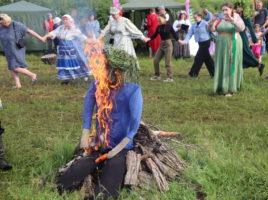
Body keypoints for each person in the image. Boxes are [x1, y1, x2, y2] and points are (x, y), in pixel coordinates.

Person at [81, 44, 142, 200]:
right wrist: (85, 131)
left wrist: (121, 146)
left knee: (112, 174)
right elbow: (88, 106)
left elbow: (135, 123)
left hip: (120, 145)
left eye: (105, 69)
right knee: (78, 169)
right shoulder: (97, 84)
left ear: (117, 71)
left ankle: (103, 196)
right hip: (99, 141)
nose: (101, 73)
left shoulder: (132, 90)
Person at [43, 14, 91, 83]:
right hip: (62, 50)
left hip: (71, 50)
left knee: (77, 63)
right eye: (64, 19)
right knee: (64, 64)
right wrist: (46, 36)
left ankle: (85, 75)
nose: (65, 21)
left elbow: (83, 37)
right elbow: (53, 33)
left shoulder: (74, 29)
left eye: (66, 19)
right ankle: (66, 79)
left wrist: (92, 42)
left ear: (70, 21)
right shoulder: (61, 28)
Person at [209, 3, 245, 96]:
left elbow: (242, 28)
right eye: (223, 10)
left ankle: (230, 88)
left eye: (226, 9)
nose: (224, 12)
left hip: (233, 42)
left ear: (231, 9)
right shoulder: (219, 18)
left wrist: (233, 20)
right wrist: (212, 21)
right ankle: (220, 86)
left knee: (230, 63)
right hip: (221, 44)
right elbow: (211, 30)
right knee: (221, 63)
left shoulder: (236, 16)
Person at [0, 14, 44, 89]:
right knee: (12, 66)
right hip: (8, 49)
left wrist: (40, 38)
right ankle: (18, 85)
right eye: (2, 23)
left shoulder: (17, 25)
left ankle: (32, 75)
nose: (3, 25)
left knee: (14, 67)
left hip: (16, 49)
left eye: (4, 23)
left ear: (7, 21)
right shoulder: (1, 26)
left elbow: (29, 31)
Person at [179, 10, 214, 78]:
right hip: (200, 43)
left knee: (198, 58)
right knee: (207, 59)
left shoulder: (205, 23)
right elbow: (189, 34)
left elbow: (211, 18)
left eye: (196, 16)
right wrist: (184, 41)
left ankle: (193, 74)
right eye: (194, 17)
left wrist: (207, 12)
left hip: (206, 42)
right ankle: (214, 74)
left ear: (200, 16)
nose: (195, 18)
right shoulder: (193, 26)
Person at [235, 2, 265, 75]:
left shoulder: (245, 17)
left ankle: (259, 65)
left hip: (242, 36)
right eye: (237, 7)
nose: (238, 8)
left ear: (243, 8)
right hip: (235, 36)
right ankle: (240, 68)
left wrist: (254, 39)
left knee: (246, 52)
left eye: (239, 7)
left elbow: (250, 28)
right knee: (239, 53)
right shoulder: (234, 15)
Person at [149, 14, 179, 82]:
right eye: (158, 20)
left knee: (167, 62)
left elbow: (174, 34)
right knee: (156, 60)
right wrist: (148, 39)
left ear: (164, 19)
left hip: (168, 45)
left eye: (159, 20)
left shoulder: (169, 26)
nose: (158, 21)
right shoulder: (159, 26)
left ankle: (170, 78)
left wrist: (179, 41)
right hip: (161, 44)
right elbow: (154, 35)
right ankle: (157, 75)